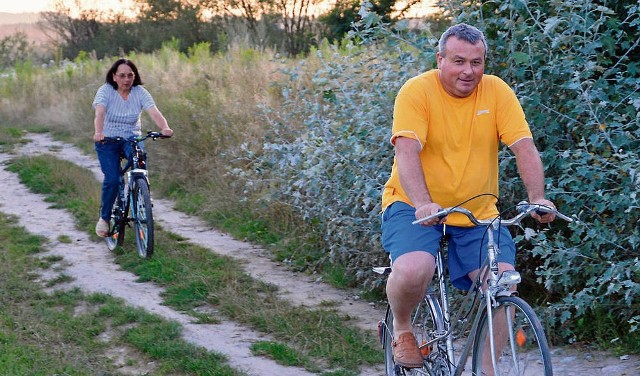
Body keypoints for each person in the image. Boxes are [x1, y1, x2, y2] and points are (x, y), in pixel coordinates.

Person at [380, 23, 557, 369]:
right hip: (413, 204)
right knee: (416, 268)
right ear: (440, 59)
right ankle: (402, 327)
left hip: (477, 211)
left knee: (504, 288)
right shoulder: (417, 91)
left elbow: (523, 146)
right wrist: (423, 203)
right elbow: (406, 151)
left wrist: (539, 196)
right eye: (458, 61)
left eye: (476, 63)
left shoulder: (496, 91)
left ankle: (486, 370)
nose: (468, 71)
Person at [93, 58, 173, 237]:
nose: (126, 79)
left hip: (131, 138)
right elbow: (99, 112)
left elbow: (154, 111)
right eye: (122, 76)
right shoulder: (105, 91)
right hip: (107, 141)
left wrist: (164, 128)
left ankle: (141, 192)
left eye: (130, 75)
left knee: (140, 157)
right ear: (114, 77)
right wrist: (99, 132)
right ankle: (105, 218)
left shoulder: (140, 92)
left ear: (134, 76)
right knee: (113, 179)